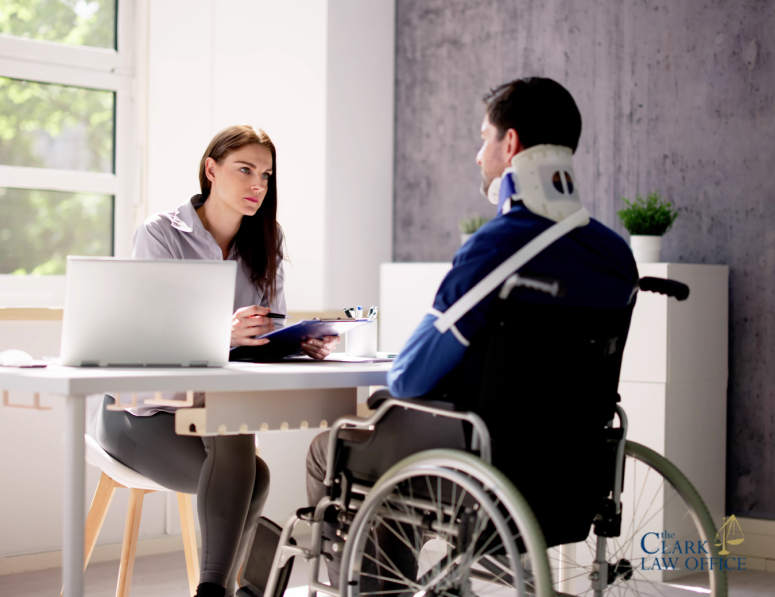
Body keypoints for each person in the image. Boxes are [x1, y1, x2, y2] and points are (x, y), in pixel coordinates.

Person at [305, 77, 639, 586]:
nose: (477, 155)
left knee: (334, 445)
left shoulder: (497, 248)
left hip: (480, 462)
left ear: (510, 145)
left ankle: (375, 587)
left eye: (484, 138)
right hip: (570, 472)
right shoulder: (617, 257)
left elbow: (408, 380)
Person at [96, 125, 339, 597]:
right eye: (245, 170)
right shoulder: (161, 234)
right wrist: (219, 333)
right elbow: (141, 336)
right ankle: (227, 591)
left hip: (208, 411)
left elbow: (267, 327)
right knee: (252, 470)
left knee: (238, 438)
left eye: (266, 176)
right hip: (136, 413)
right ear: (211, 170)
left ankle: (213, 592)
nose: (257, 186)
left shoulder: (266, 238)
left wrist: (294, 340)